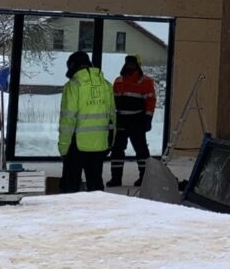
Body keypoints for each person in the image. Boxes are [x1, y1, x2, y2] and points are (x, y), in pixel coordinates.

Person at [58, 51, 114, 193]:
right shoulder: (106, 85)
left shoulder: (73, 85)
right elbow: (112, 117)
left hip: (77, 144)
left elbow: (68, 120)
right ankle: (98, 207)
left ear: (72, 66)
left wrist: (63, 147)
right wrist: (110, 141)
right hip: (100, 143)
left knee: (70, 186)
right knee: (95, 185)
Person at [110, 55, 157, 187]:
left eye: (132, 64)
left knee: (141, 150)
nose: (130, 66)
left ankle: (144, 178)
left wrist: (148, 118)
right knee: (117, 150)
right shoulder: (118, 81)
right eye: (128, 63)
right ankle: (116, 178)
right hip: (121, 120)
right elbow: (112, 102)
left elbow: (150, 101)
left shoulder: (145, 81)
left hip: (137, 121)